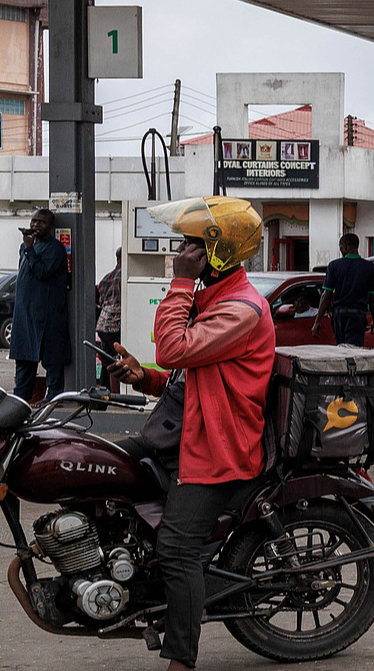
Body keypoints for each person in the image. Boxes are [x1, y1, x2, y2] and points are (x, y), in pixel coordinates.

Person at [109, 196, 273, 671]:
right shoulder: (213, 299)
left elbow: (176, 348)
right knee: (100, 467)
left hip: (215, 447)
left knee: (178, 549)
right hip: (181, 431)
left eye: (191, 244)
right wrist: (146, 378)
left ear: (216, 254)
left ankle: (181, 657)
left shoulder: (240, 309)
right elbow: (188, 373)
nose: (183, 251)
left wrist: (179, 282)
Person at [9, 208, 70, 402]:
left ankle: (53, 399)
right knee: (24, 362)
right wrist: (27, 248)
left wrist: (29, 249)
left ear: (51, 226)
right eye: (33, 221)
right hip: (26, 316)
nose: (35, 225)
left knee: (52, 361)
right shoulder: (25, 247)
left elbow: (43, 272)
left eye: (41, 222)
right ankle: (20, 402)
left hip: (47, 316)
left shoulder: (55, 249)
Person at [317, 232, 374, 347]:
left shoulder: (334, 266)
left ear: (346, 246)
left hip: (339, 317)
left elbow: (326, 295)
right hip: (357, 317)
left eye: (341, 247)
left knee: (341, 351)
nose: (341, 250)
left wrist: (318, 321)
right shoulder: (370, 268)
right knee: (353, 352)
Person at [93, 248, 124, 387]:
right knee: (122, 360)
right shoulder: (124, 276)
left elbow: (99, 301)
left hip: (102, 325)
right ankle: (118, 391)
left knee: (107, 360)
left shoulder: (106, 277)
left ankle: (104, 393)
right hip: (117, 325)